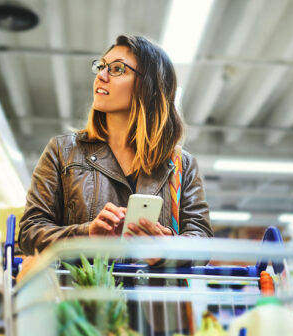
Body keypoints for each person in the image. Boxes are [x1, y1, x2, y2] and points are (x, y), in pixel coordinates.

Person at [18, 35, 213, 258]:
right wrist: (87, 234)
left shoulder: (181, 165)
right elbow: (28, 234)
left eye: (117, 69)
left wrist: (164, 247)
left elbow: (202, 242)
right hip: (85, 293)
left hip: (152, 293)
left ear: (149, 86)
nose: (101, 76)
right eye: (101, 66)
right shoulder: (62, 152)